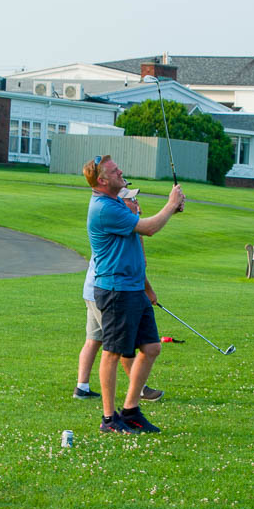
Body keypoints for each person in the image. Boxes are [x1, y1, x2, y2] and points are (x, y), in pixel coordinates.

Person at [85, 155, 184, 434]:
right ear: (102, 180)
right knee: (113, 353)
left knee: (151, 348)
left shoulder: (116, 202)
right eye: (115, 171)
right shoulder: (103, 208)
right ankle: (109, 419)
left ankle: (130, 411)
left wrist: (171, 210)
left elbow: (143, 225)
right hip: (116, 290)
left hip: (133, 288)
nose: (121, 172)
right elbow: (149, 228)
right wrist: (170, 204)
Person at [75, 188, 163, 403]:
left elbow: (138, 265)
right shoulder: (118, 220)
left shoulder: (124, 221)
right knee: (118, 344)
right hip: (106, 291)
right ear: (120, 203)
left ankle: (82, 387)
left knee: (94, 339)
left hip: (94, 290)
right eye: (132, 200)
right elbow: (133, 262)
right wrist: (148, 290)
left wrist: (147, 289)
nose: (138, 206)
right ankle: (140, 390)